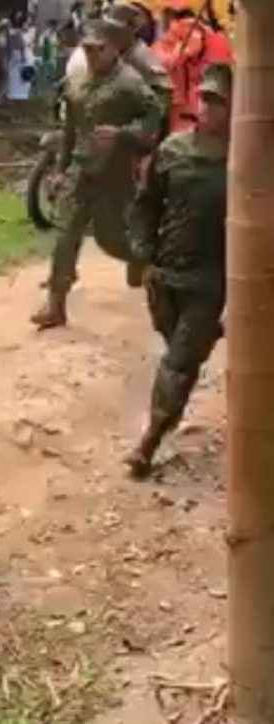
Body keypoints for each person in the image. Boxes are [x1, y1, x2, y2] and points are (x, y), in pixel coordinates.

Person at [126, 63, 231, 478]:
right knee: (176, 344)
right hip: (166, 275)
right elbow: (145, 206)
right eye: (204, 98)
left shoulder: (245, 161)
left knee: (178, 362)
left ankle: (148, 442)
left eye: (217, 101)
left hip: (210, 282)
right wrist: (144, 256)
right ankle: (203, 340)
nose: (207, 107)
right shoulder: (172, 151)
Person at [32, 19, 161, 330]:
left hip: (115, 174)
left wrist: (123, 134)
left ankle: (151, 265)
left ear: (113, 49)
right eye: (87, 49)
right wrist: (60, 170)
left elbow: (154, 118)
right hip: (81, 169)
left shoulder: (130, 83)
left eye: (97, 50)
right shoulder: (76, 81)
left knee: (111, 240)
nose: (91, 56)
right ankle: (55, 304)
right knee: (66, 234)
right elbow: (69, 130)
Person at [153, 1, 232, 133]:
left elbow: (164, 61)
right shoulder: (218, 37)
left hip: (187, 103)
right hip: (215, 99)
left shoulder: (184, 30)